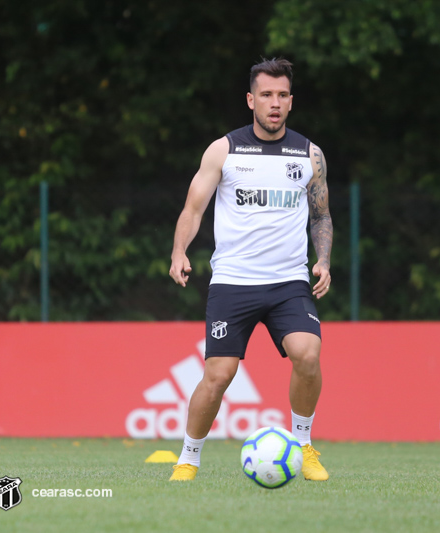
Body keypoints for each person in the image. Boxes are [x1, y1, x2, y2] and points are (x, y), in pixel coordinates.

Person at [167, 58, 332, 482]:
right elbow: (194, 207)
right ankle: (188, 458)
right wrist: (179, 251)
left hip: (288, 283)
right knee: (218, 375)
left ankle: (303, 445)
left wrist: (324, 260)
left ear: (291, 102)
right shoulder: (224, 150)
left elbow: (321, 216)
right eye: (266, 95)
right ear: (250, 100)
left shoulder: (310, 155)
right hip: (233, 282)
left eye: (281, 96)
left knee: (308, 354)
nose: (274, 104)